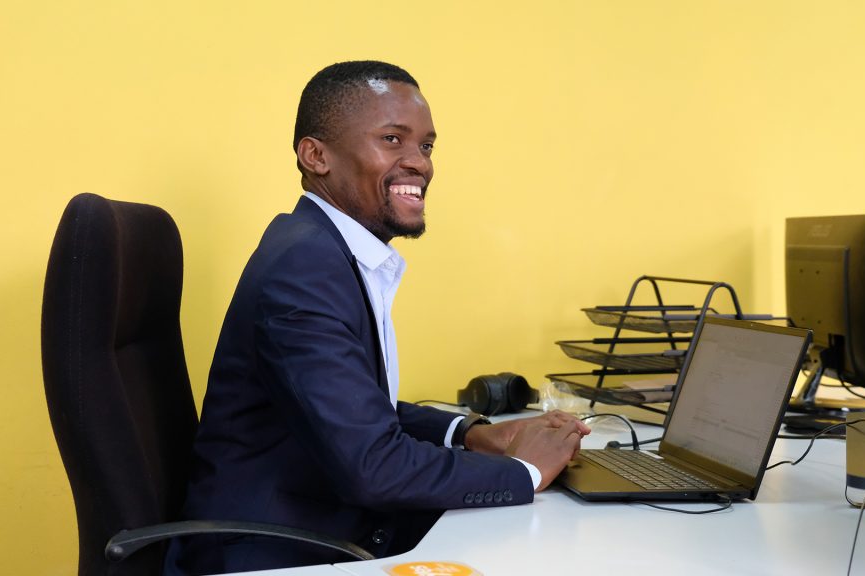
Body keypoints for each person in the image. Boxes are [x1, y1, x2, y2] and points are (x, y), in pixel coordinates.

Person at [166, 60, 590, 574]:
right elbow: (373, 467)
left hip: (314, 528)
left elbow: (353, 408)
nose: (420, 163)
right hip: (276, 554)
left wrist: (472, 433)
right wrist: (525, 472)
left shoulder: (324, 250)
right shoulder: (305, 269)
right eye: (393, 139)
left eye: (426, 145)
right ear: (316, 155)